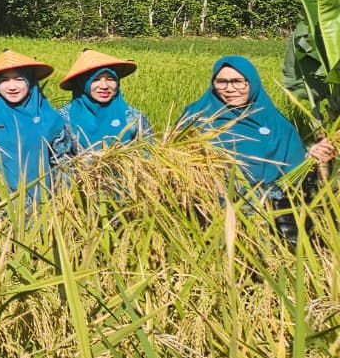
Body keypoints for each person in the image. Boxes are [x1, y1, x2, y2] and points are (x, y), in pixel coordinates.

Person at [181, 55, 334, 243]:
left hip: (265, 219)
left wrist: (312, 157)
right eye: (221, 82)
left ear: (251, 83)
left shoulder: (276, 124)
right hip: (209, 216)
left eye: (238, 82)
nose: (230, 89)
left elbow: (294, 174)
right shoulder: (195, 119)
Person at [0, 49, 75, 201]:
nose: (12, 86)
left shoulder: (51, 120)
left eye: (19, 79)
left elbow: (62, 163)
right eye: (5, 80)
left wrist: (59, 201)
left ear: (31, 82)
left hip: (44, 204)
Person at [57, 49, 151, 153]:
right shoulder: (64, 119)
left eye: (110, 79)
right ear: (82, 83)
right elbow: (58, 161)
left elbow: (149, 152)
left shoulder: (133, 116)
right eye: (96, 79)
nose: (104, 86)